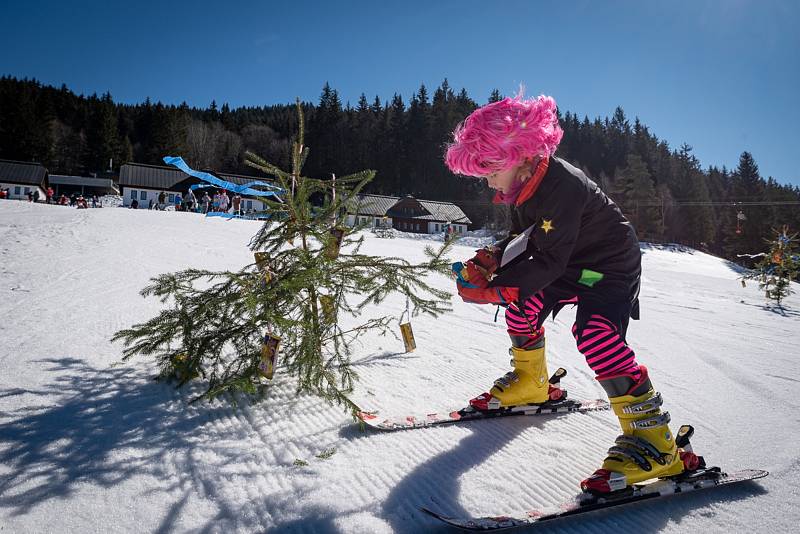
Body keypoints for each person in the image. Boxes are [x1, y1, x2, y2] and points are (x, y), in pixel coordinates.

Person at [445, 94, 686, 494]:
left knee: (595, 335)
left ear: (519, 154)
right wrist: (491, 261)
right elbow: (526, 241)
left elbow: (549, 260)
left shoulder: (563, 185)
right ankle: (531, 382)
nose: (486, 180)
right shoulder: (523, 186)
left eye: (489, 168)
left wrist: (496, 290)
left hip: (606, 267)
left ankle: (656, 443)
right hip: (570, 264)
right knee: (522, 307)